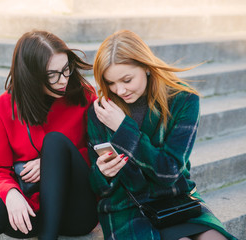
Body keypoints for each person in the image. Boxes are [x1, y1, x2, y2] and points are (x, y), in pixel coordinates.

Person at [87, 30, 237, 240]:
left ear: (146, 68)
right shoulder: (101, 111)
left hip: (175, 197)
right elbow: (98, 186)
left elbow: (168, 173)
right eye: (110, 83)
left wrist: (124, 128)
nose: (119, 90)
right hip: (126, 205)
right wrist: (104, 173)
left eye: (127, 79)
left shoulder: (184, 100)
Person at [0, 30, 98, 240]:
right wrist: (11, 194)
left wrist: (54, 163)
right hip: (33, 210)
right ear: (31, 76)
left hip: (76, 210)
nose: (63, 80)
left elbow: (100, 153)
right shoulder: (3, 108)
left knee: (55, 143)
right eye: (52, 74)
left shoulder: (84, 96)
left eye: (66, 69)